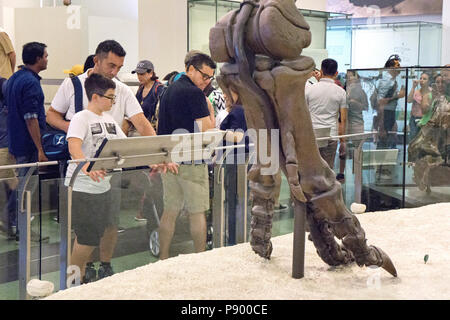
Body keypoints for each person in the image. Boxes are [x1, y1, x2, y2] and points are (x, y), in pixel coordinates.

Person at [47, 40, 156, 281]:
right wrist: (77, 130)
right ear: (96, 60)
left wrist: (158, 154)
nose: (115, 72)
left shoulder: (116, 100)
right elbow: (59, 123)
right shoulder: (74, 89)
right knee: (83, 233)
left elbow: (137, 126)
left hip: (108, 178)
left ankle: (102, 265)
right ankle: (75, 277)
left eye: (119, 67)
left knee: (107, 224)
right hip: (82, 180)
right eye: (111, 65)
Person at [66, 73, 126, 284]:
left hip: (103, 187)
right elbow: (74, 146)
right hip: (82, 187)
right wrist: (87, 167)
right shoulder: (81, 118)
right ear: (95, 96)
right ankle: (73, 281)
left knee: (89, 236)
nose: (113, 102)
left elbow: (124, 145)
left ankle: (78, 277)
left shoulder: (109, 120)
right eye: (110, 97)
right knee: (86, 238)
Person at [157, 53, 216, 260]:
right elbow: (207, 129)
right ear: (190, 69)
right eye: (204, 76)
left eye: (210, 78)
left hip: (169, 159)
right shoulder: (194, 93)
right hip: (192, 159)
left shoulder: (168, 89)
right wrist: (209, 108)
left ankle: (163, 256)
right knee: (197, 212)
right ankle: (200, 259)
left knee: (170, 210)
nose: (206, 82)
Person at [5, 42, 49, 241]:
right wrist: (40, 148)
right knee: (26, 188)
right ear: (38, 58)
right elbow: (31, 118)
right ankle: (20, 228)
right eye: (46, 56)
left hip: (16, 142)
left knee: (22, 185)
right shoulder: (31, 83)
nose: (47, 59)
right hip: (28, 144)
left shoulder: (14, 78)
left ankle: (11, 222)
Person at [306, 58, 347, 171]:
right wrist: (343, 141)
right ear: (336, 73)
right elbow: (343, 119)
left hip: (312, 134)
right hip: (331, 135)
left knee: (312, 169)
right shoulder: (341, 92)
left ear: (321, 71)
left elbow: (303, 113)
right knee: (328, 169)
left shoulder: (309, 90)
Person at [374, 54, 405, 180]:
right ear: (391, 67)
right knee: (383, 143)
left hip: (389, 116)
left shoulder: (391, 80)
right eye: (397, 65)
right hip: (384, 116)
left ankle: (385, 170)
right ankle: (381, 171)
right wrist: (381, 125)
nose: (400, 68)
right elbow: (381, 103)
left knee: (388, 143)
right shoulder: (386, 81)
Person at [124, 60, 165, 136]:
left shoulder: (159, 89)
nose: (139, 77)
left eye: (142, 74)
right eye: (138, 74)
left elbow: (160, 115)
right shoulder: (140, 89)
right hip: (139, 128)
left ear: (151, 73)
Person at [407, 72, 431, 141]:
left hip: (426, 120)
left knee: (424, 140)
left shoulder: (431, 92)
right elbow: (409, 100)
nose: (421, 80)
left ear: (428, 81)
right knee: (413, 139)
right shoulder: (416, 92)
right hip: (414, 120)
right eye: (420, 78)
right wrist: (413, 87)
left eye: (424, 79)